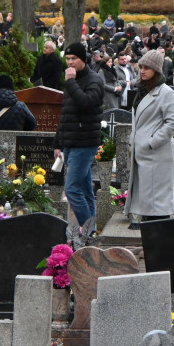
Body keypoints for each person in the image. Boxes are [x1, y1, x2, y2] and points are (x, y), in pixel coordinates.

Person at [123, 49, 174, 228]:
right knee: (147, 199)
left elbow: (172, 123)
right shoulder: (142, 91)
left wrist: (151, 142)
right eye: (141, 67)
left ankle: (159, 241)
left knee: (158, 204)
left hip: (158, 154)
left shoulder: (166, 93)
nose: (143, 70)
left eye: (147, 67)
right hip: (142, 153)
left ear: (156, 69)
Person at [53, 42, 104, 230]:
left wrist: (71, 83)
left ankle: (86, 229)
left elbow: (86, 103)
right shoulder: (71, 81)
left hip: (84, 142)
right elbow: (66, 114)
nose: (70, 62)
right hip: (71, 142)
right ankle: (92, 231)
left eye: (74, 59)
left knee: (72, 189)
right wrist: (57, 143)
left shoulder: (94, 80)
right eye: (67, 59)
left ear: (83, 59)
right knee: (85, 191)